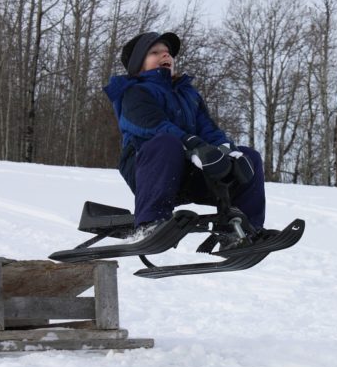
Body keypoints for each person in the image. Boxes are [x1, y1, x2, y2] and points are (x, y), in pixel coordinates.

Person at [103, 31, 266, 236]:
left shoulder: (188, 95)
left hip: (189, 172)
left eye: (168, 52)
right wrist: (193, 145)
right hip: (150, 170)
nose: (165, 56)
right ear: (138, 64)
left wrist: (227, 151)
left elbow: (209, 129)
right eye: (155, 52)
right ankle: (150, 222)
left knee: (249, 157)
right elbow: (153, 125)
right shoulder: (134, 92)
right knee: (167, 142)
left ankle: (242, 229)